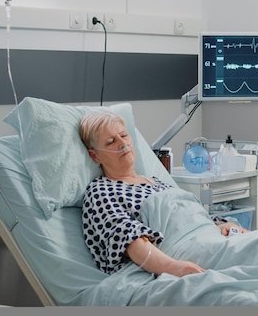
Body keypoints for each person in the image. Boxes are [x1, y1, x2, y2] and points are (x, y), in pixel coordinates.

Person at [78, 112, 247, 277]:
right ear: (94, 156)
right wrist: (174, 268)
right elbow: (127, 237)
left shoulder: (158, 182)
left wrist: (221, 225)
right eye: (110, 142)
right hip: (182, 249)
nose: (123, 144)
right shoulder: (101, 190)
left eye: (124, 135)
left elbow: (191, 215)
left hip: (211, 236)